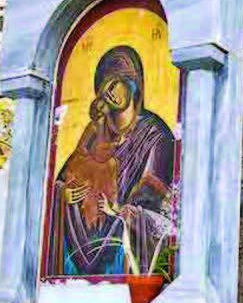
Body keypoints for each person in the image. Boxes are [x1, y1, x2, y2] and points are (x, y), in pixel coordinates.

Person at [52, 46, 177, 276]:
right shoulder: (95, 131)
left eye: (116, 81)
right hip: (84, 235)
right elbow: (67, 175)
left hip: (123, 242)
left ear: (134, 85)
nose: (108, 90)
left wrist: (119, 211)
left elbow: (155, 195)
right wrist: (64, 193)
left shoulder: (155, 133)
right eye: (104, 83)